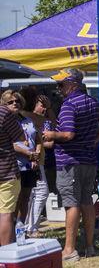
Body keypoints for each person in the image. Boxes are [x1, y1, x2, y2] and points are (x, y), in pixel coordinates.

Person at [42, 68, 99, 262]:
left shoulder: (69, 105)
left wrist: (51, 135)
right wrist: (96, 139)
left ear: (72, 84)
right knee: (86, 202)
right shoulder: (91, 102)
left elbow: (67, 134)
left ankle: (69, 249)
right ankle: (89, 246)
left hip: (70, 161)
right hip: (88, 160)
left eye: (61, 84)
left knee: (71, 204)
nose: (59, 88)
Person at [2, 92, 41, 224]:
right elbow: (8, 144)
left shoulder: (27, 119)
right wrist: (27, 153)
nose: (15, 104)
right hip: (13, 166)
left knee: (26, 198)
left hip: (29, 165)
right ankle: (10, 230)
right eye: (10, 102)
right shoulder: (5, 120)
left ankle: (21, 228)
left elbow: (37, 139)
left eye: (17, 101)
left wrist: (36, 156)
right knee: (13, 201)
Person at [25, 94, 53, 236]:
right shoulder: (28, 117)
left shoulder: (30, 119)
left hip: (39, 159)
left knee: (31, 194)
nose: (44, 108)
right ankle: (30, 227)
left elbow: (51, 140)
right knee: (40, 192)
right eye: (42, 105)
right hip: (32, 160)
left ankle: (29, 227)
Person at [0, 95, 24, 246]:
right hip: (6, 170)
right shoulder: (3, 113)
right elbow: (20, 137)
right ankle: (5, 254)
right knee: (5, 213)